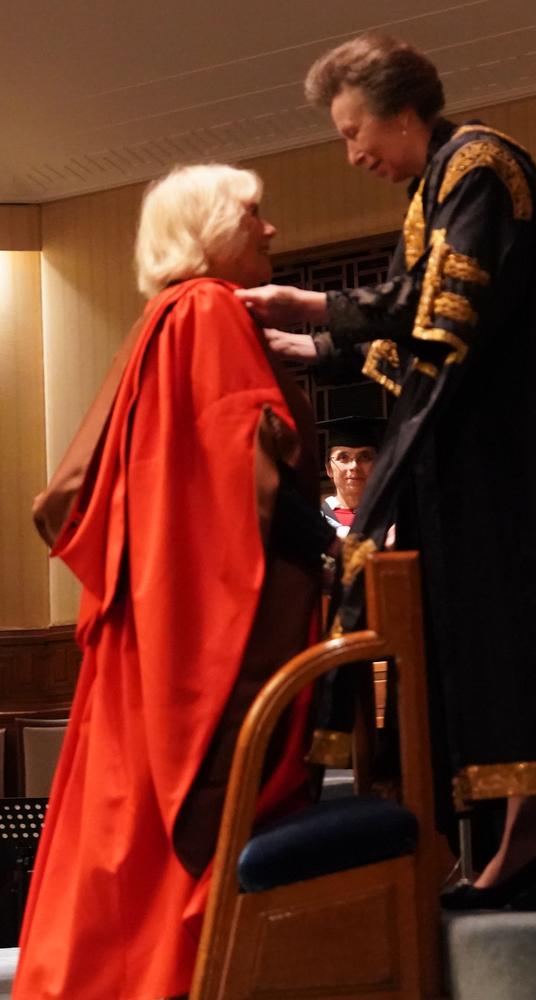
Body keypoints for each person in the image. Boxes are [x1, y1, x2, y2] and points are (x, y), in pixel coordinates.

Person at [235, 34, 536, 911]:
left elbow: (443, 310)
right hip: (502, 461)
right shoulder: (439, 185)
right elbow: (414, 325)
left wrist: (313, 307)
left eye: (355, 132)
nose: (353, 155)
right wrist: (316, 343)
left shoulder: (480, 166)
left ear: (399, 110)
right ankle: (526, 832)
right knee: (504, 634)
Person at [14, 163, 334, 999]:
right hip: (191, 632)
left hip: (150, 630)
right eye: (253, 214)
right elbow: (244, 467)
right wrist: (339, 553)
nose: (271, 230)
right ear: (204, 232)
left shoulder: (164, 318)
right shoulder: (207, 311)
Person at [319, 415, 383, 537]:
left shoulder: (392, 519)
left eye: (364, 457)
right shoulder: (315, 521)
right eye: (343, 457)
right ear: (329, 469)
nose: (354, 466)